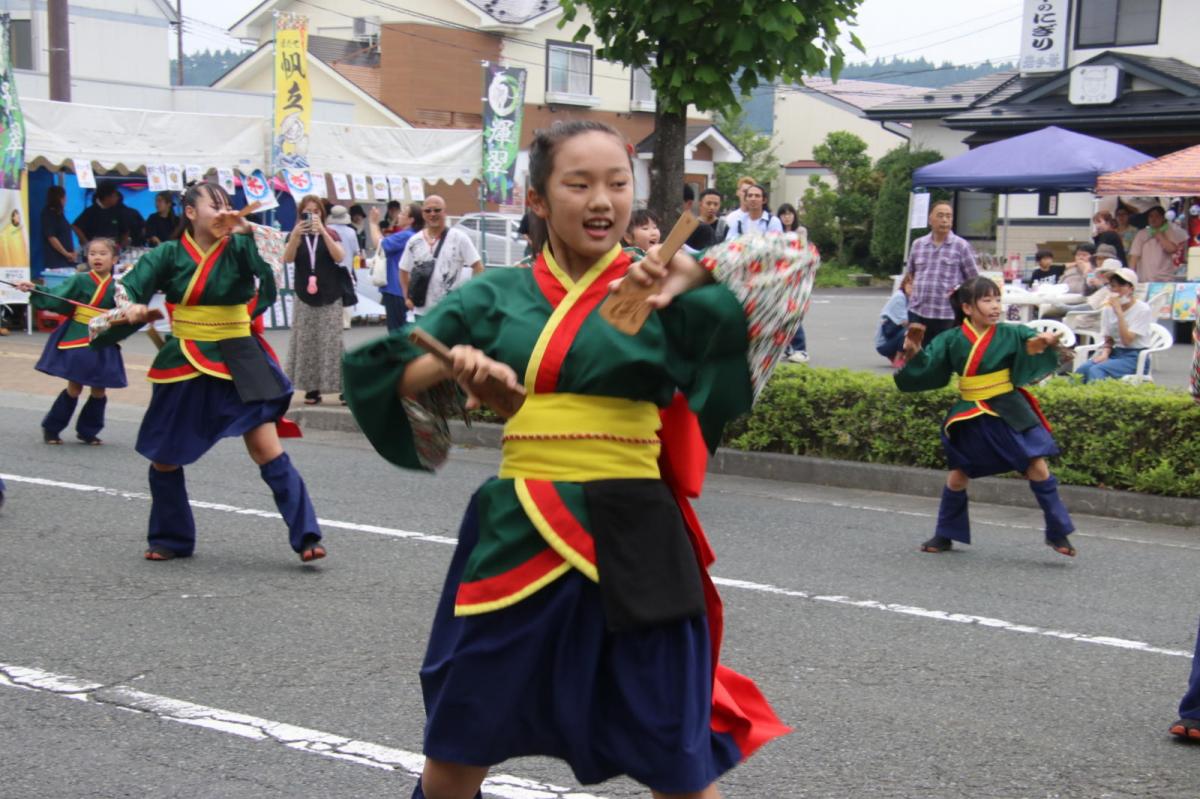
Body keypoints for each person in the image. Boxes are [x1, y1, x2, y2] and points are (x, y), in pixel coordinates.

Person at [342, 119, 812, 799]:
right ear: (537, 200)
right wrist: (460, 368)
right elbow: (392, 368)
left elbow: (785, 280)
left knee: (678, 765)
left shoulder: (659, 287)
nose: (602, 199)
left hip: (639, 528)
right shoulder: (494, 295)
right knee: (455, 752)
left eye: (618, 183)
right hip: (521, 528)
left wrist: (696, 274)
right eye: (579, 183)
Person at [91, 182, 325, 563]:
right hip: (185, 354)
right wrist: (129, 308)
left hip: (239, 355)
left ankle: (307, 534)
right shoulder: (168, 253)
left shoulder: (241, 244)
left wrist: (245, 229)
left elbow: (272, 266)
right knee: (165, 456)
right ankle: (171, 538)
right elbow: (128, 287)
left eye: (227, 205)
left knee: (266, 448)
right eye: (213, 205)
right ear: (189, 212)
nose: (222, 210)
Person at [895, 276, 1075, 557]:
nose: (995, 307)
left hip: (1008, 406)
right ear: (967, 308)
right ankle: (945, 534)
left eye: (997, 299)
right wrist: (914, 350)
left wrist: (1042, 344)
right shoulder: (951, 339)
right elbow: (930, 367)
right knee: (958, 476)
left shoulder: (1012, 333)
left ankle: (1058, 531)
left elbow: (1031, 348)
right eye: (987, 300)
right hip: (970, 412)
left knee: (1037, 466)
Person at [13, 238, 127, 444]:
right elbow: (58, 296)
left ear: (115, 259)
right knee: (75, 387)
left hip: (104, 336)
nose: (97, 258)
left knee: (99, 389)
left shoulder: (120, 286)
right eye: (92, 254)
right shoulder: (79, 280)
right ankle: (52, 428)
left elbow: (127, 310)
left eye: (102, 253)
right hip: (80, 335)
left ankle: (88, 431)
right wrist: (33, 288)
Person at [284, 195, 347, 405]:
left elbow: (339, 257)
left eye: (316, 212)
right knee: (306, 341)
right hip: (304, 294)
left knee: (332, 342)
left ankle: (344, 387)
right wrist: (294, 236)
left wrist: (323, 231)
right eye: (307, 212)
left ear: (323, 213)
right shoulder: (296, 236)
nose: (312, 216)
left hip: (330, 293)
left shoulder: (331, 233)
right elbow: (287, 258)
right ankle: (312, 389)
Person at [903, 200, 979, 344]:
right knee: (916, 354)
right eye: (940, 215)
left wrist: (960, 298)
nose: (945, 220)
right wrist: (909, 288)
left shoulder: (961, 246)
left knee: (942, 356)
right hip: (918, 311)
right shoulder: (918, 244)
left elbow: (974, 280)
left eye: (948, 216)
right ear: (930, 219)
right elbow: (910, 275)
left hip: (947, 313)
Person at [398, 195, 482, 318]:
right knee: (420, 338)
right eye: (428, 210)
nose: (432, 214)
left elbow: (478, 266)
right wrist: (406, 297)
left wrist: (471, 296)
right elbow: (403, 270)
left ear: (445, 212)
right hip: (421, 311)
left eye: (437, 210)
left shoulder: (459, 238)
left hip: (449, 311)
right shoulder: (414, 241)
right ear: (422, 214)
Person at [1075, 266, 1155, 383]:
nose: (1115, 290)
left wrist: (1119, 313)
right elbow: (1108, 338)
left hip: (1135, 357)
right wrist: (1105, 353)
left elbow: (1127, 341)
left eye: (1120, 286)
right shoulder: (1108, 308)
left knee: (1097, 370)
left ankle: (1098, 400)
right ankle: (1074, 399)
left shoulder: (1142, 309)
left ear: (1131, 288)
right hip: (1115, 352)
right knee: (1083, 370)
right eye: (1112, 286)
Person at [369, 202, 422, 331]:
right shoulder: (415, 235)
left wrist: (373, 223)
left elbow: (380, 245)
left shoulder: (406, 235)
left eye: (403, 213)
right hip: (406, 288)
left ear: (411, 220)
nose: (399, 215)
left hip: (396, 288)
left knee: (397, 330)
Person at [777, 203, 810, 363]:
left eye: (790, 214)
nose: (787, 217)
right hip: (779, 278)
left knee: (793, 313)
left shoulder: (800, 231)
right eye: (784, 214)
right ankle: (789, 348)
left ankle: (800, 349)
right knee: (781, 314)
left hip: (795, 278)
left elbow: (801, 252)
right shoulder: (776, 232)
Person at [1129, 205, 1187, 283]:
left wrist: (1159, 235)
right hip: (1145, 278)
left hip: (1165, 278)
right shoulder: (1142, 234)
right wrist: (1130, 277)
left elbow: (1172, 249)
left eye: (1157, 216)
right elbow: (1134, 256)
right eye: (1151, 216)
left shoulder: (1169, 231)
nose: (1153, 219)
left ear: (1163, 218)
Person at [72, 184, 125, 252]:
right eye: (114, 196)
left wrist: (121, 246)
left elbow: (124, 230)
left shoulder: (116, 211)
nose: (117, 198)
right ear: (107, 197)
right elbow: (75, 226)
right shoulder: (91, 211)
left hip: (112, 247)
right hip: (96, 248)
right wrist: (86, 243)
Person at [875, 272, 912, 367]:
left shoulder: (909, 298)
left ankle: (897, 356)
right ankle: (898, 358)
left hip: (891, 338)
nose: (913, 288)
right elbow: (906, 322)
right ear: (904, 284)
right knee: (911, 330)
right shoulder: (899, 297)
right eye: (910, 284)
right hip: (884, 344)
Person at [40, 185, 77, 272]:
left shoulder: (60, 213)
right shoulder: (48, 214)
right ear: (61, 198)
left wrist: (72, 253)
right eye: (64, 197)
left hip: (67, 259)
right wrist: (65, 253)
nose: (66, 200)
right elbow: (51, 237)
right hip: (56, 261)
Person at [683, 186, 716, 252]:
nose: (712, 207)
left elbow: (706, 258)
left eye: (716, 204)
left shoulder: (702, 230)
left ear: (689, 204)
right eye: (708, 203)